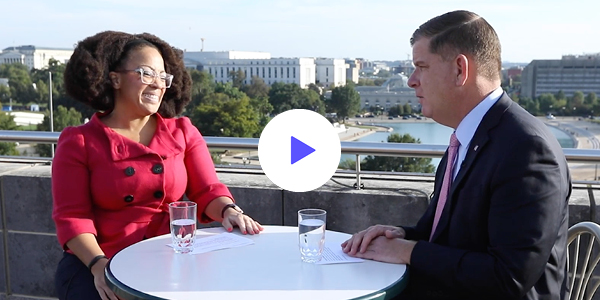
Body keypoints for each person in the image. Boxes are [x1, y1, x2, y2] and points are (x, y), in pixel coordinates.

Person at [342, 10, 570, 300]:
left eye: (421, 66)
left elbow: (508, 278)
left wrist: (408, 251)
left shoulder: (527, 149)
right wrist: (398, 235)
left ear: (460, 70)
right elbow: (445, 237)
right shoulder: (468, 138)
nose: (412, 81)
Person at [52, 31, 263, 300]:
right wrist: (99, 266)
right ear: (114, 78)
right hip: (98, 264)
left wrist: (229, 211)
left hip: (169, 259)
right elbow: (72, 218)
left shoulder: (183, 132)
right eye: (146, 74)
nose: (158, 84)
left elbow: (208, 189)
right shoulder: (79, 141)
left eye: (163, 77)